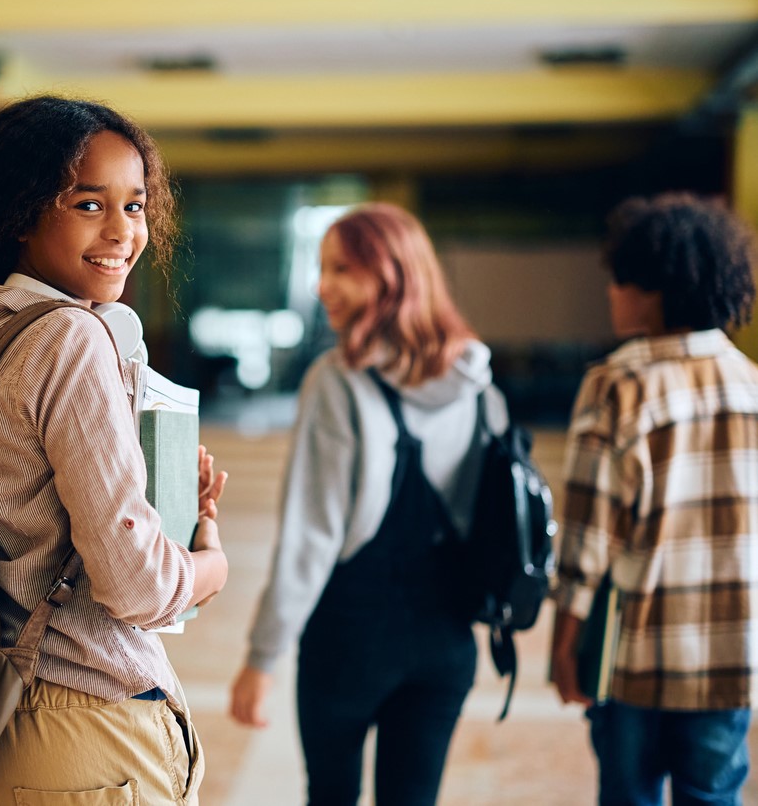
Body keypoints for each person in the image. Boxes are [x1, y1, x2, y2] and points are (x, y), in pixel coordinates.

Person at [0, 95, 228, 805]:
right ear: (21, 213)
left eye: (136, 206)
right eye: (89, 205)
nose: (122, 232)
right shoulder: (72, 338)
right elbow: (137, 587)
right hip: (81, 731)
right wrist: (208, 563)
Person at [230, 203, 506, 806]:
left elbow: (311, 536)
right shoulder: (478, 383)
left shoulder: (338, 381)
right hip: (448, 642)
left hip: (350, 641)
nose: (320, 285)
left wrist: (262, 657)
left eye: (341, 269)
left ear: (390, 276)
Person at [550, 193, 758, 806]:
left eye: (620, 280)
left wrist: (566, 641)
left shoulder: (618, 383)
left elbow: (588, 535)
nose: (612, 294)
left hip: (634, 658)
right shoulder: (752, 385)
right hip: (732, 657)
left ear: (653, 288)